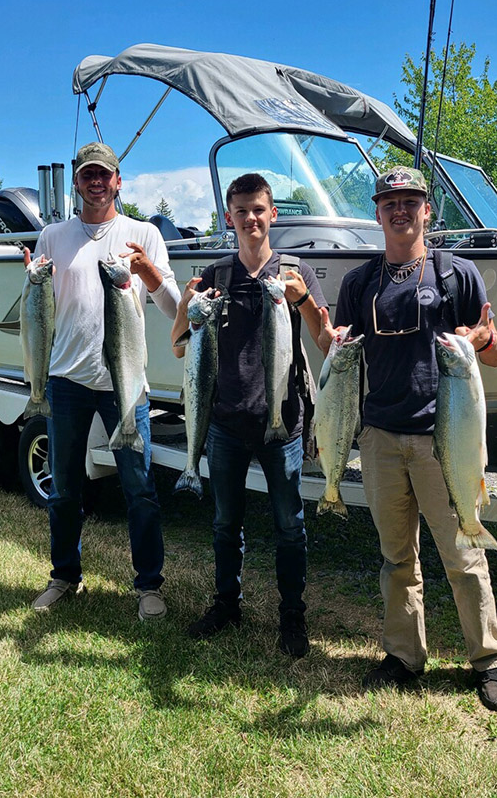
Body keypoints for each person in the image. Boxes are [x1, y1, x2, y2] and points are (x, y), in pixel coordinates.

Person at [323, 166, 497, 710]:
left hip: (442, 439)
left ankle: (488, 660)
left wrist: (484, 340)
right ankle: (403, 657)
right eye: (390, 203)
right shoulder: (359, 282)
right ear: (377, 212)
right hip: (379, 438)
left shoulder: (457, 274)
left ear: (428, 210)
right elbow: (337, 352)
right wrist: (326, 331)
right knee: (396, 558)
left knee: (463, 554)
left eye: (411, 201)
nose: (400, 210)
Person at [171, 173, 328, 657]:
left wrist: (302, 300)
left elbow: (326, 342)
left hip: (282, 423)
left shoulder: (296, 272)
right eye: (241, 211)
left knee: (290, 526)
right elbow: (179, 346)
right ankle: (226, 605)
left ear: (273, 213)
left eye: (259, 209)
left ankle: (292, 616)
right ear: (229, 218)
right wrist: (185, 305)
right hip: (224, 423)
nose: (251, 219)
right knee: (225, 523)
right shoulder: (216, 275)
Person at [27, 142, 180, 620]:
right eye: (87, 174)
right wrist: (31, 279)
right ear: (76, 181)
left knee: (140, 490)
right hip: (65, 380)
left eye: (104, 174)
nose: (96, 182)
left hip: (126, 384)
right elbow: (40, 308)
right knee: (64, 489)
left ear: (118, 181)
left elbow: (175, 309)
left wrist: (148, 271)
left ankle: (149, 585)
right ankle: (63, 576)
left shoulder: (143, 233)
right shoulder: (53, 235)